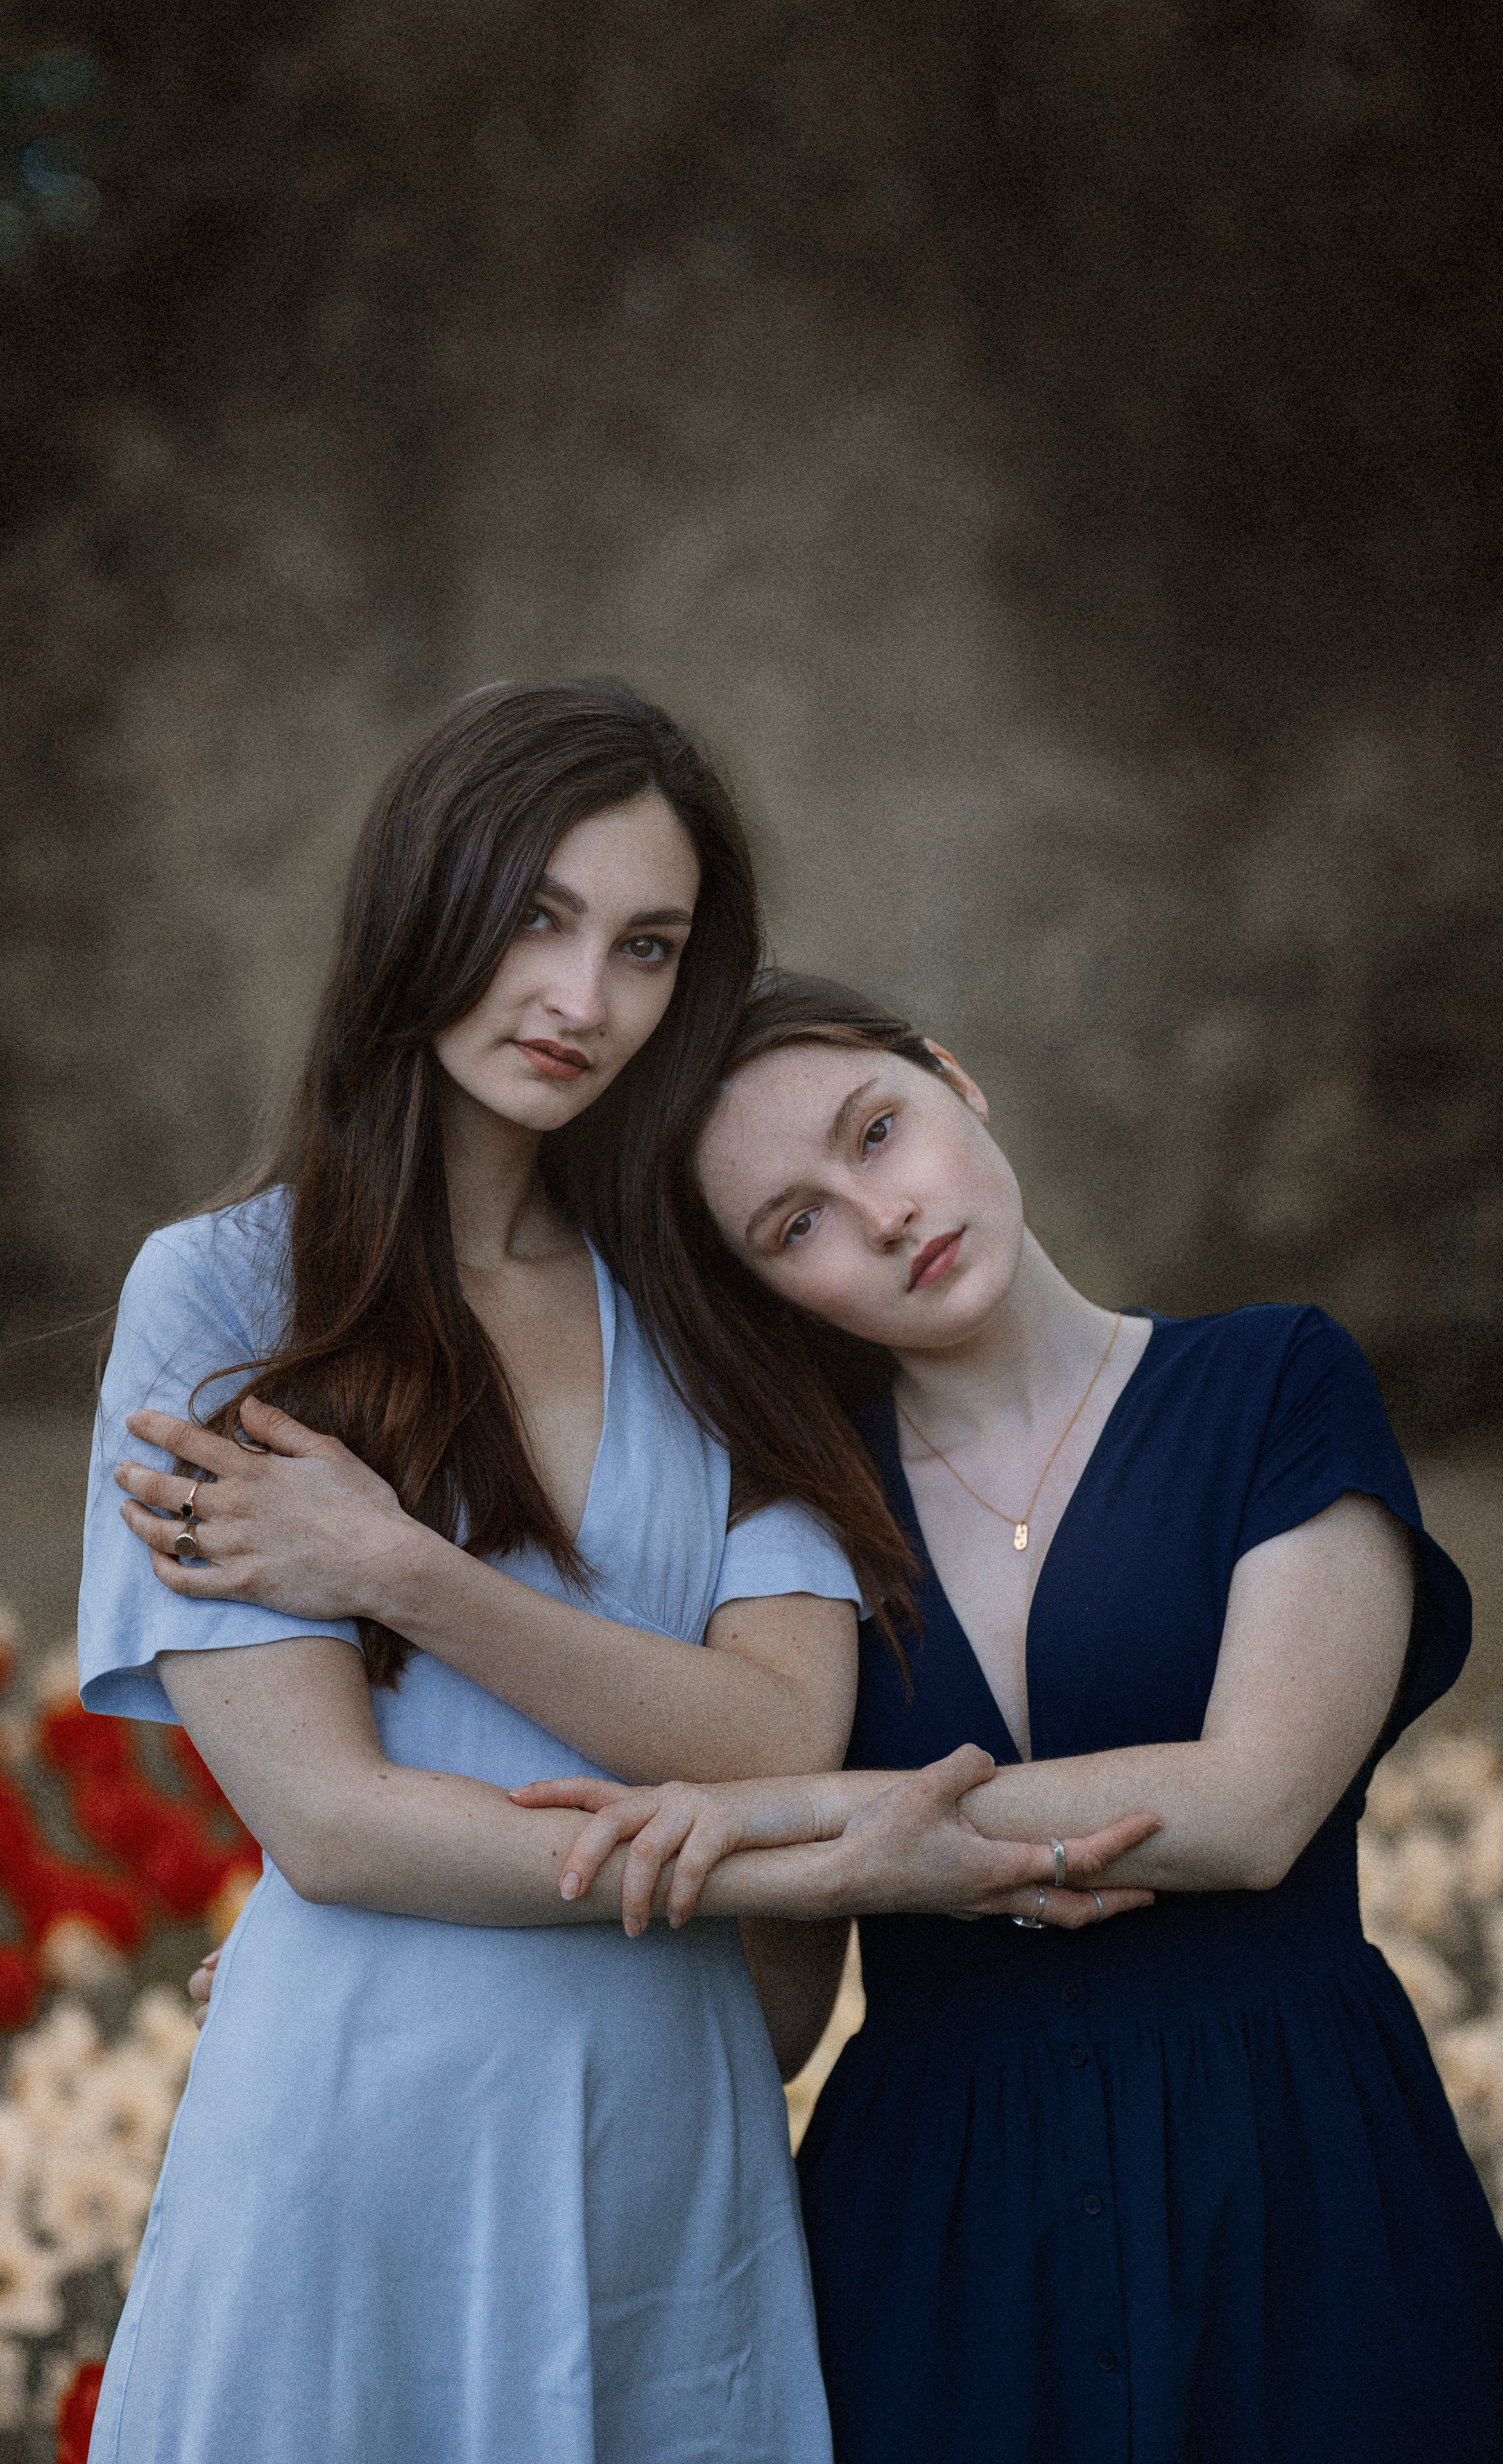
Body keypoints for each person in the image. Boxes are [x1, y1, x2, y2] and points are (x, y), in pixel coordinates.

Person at [82, 692, 1150, 2464]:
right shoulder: (224, 1296)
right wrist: (803, 1855)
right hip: (353, 2127)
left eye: (646, 947)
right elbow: (333, 1825)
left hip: (672, 2141)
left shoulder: (714, 1305)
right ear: (420, 901)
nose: (582, 999)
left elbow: (778, 1725)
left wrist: (400, 1571)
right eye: (535, 918)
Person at [516, 972, 1503, 2464]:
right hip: (937, 2246)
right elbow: (775, 2008)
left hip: (1300, 2197)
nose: (882, 1216)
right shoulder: (790, 1526)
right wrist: (412, 1958)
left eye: (875, 1131)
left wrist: (791, 1809)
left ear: (954, 1079)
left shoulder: (1273, 1383)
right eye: (795, 1224)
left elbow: (1251, 1807)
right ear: (769, 1289)